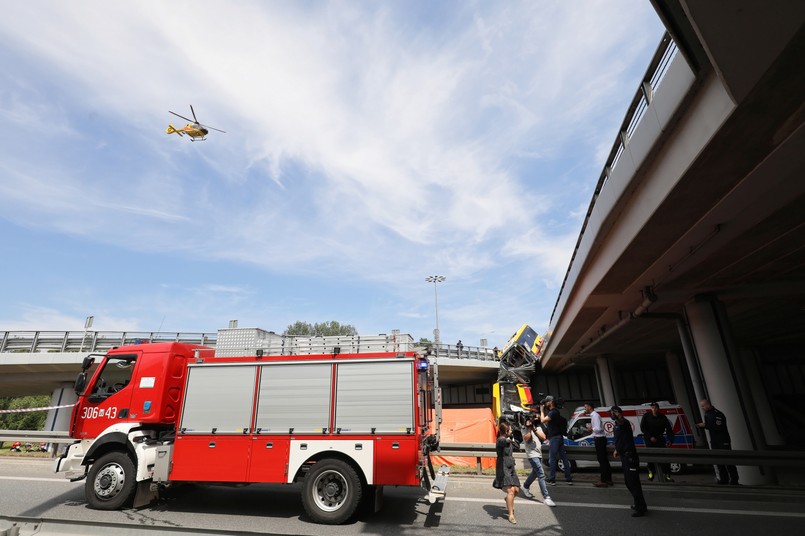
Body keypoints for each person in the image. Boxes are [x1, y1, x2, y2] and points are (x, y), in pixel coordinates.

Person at [611, 405, 648, 517]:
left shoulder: (623, 423)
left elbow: (622, 438)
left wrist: (618, 448)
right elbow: (620, 439)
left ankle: (640, 508)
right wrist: (617, 449)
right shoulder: (619, 424)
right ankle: (640, 504)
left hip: (629, 456)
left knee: (633, 482)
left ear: (617, 413)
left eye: (612, 413)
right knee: (629, 482)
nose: (611, 415)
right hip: (624, 455)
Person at [697, 399, 739, 485]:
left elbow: (718, 427)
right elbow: (710, 426)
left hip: (723, 440)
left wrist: (705, 425)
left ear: (708, 404)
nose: (702, 408)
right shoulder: (707, 414)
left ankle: (734, 480)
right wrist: (704, 425)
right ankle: (724, 479)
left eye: (703, 406)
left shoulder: (718, 414)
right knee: (719, 461)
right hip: (714, 441)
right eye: (701, 406)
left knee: (729, 461)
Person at [521, 416, 556, 507]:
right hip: (532, 455)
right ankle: (547, 497)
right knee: (541, 474)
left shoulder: (537, 427)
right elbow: (527, 439)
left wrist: (534, 428)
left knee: (535, 473)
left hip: (539, 454)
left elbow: (544, 437)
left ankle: (525, 486)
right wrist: (529, 429)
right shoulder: (524, 429)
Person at [540, 396, 572, 485]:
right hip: (559, 438)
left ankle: (552, 479)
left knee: (552, 459)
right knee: (564, 458)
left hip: (554, 438)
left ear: (551, 402)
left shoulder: (553, 412)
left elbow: (543, 420)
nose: (546, 403)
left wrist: (541, 410)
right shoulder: (555, 413)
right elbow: (547, 423)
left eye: (547, 402)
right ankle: (568, 479)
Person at [493, 421, 521, 524]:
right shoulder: (500, 440)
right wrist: (509, 439)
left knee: (517, 489)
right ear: (505, 431)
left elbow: (517, 446)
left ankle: (507, 499)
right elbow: (504, 442)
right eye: (510, 429)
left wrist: (513, 438)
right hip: (502, 467)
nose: (511, 430)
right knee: (511, 490)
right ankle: (511, 515)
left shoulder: (510, 439)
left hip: (511, 466)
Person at [639, 402, 675, 482]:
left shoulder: (663, 417)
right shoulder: (646, 416)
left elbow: (669, 429)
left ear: (658, 409)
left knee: (664, 457)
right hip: (649, 439)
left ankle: (667, 475)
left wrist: (670, 440)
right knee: (650, 457)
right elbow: (643, 428)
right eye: (652, 408)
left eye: (655, 408)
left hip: (660, 439)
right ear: (650, 409)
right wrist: (650, 437)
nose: (654, 409)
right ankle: (651, 473)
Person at [584, 402, 613, 487]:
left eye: (585, 407)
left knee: (602, 461)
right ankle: (608, 479)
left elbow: (598, 429)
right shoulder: (594, 415)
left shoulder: (595, 416)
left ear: (590, 407)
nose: (585, 408)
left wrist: (591, 428)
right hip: (600, 439)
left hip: (599, 440)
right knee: (604, 460)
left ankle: (603, 481)